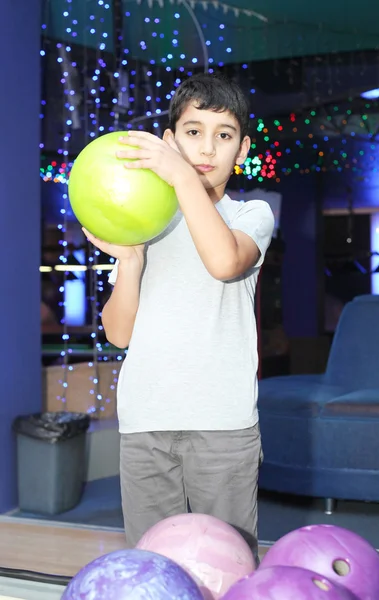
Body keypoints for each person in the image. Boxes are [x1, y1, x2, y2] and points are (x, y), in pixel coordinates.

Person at [83, 72, 275, 559]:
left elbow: (224, 261)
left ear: (243, 149)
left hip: (223, 428)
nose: (207, 148)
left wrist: (183, 177)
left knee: (227, 568)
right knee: (153, 571)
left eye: (224, 135)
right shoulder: (143, 220)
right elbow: (119, 334)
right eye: (193, 132)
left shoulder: (251, 215)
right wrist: (130, 261)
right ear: (169, 142)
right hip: (145, 422)